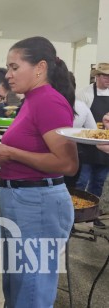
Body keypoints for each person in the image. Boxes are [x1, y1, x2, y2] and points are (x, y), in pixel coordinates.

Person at [0, 36, 78, 308]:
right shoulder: (31, 100)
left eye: (14, 67)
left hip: (38, 204)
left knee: (32, 288)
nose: (8, 76)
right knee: (18, 283)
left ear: (40, 67)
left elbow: (67, 164)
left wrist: (10, 153)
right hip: (21, 201)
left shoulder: (49, 101)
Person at [75, 62, 109, 227]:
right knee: (81, 182)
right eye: (105, 76)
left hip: (105, 148)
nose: (108, 79)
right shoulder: (84, 94)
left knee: (99, 182)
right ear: (97, 76)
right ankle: (74, 214)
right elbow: (78, 121)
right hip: (87, 147)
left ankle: (92, 215)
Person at [64, 72, 97, 188]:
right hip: (74, 154)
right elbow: (94, 132)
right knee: (70, 190)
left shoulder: (47, 104)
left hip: (49, 155)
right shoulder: (81, 106)